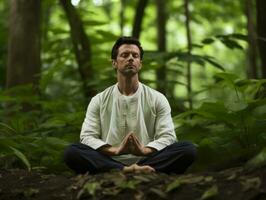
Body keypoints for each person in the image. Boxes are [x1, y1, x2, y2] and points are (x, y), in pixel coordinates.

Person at [64, 36, 197, 174]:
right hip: (110, 159)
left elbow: (168, 137)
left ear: (140, 64)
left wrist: (144, 150)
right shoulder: (99, 100)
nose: (131, 59)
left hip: (147, 159)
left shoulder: (158, 98)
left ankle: (128, 169)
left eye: (135, 55)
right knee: (72, 152)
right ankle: (126, 169)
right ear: (114, 63)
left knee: (188, 149)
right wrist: (115, 150)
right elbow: (87, 137)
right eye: (124, 55)